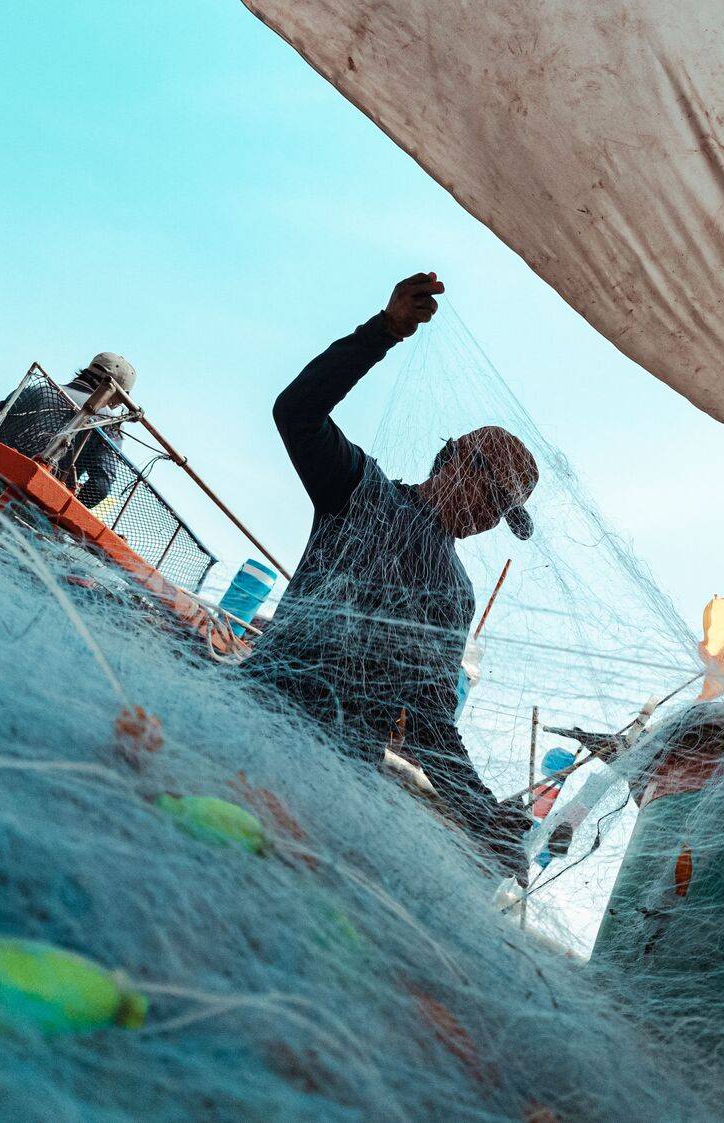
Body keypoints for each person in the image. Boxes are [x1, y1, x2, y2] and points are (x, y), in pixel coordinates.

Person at [244, 273, 538, 876]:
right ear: (452, 460)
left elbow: (430, 720)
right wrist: (383, 332)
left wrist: (485, 818)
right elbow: (296, 410)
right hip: (255, 719)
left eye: (503, 512)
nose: (488, 517)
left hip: (334, 783)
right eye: (492, 493)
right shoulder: (359, 489)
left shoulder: (457, 594)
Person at [0, 353, 135, 508]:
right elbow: (100, 487)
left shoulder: (38, 389)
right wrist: (66, 506)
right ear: (116, 394)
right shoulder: (108, 422)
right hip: (33, 512)